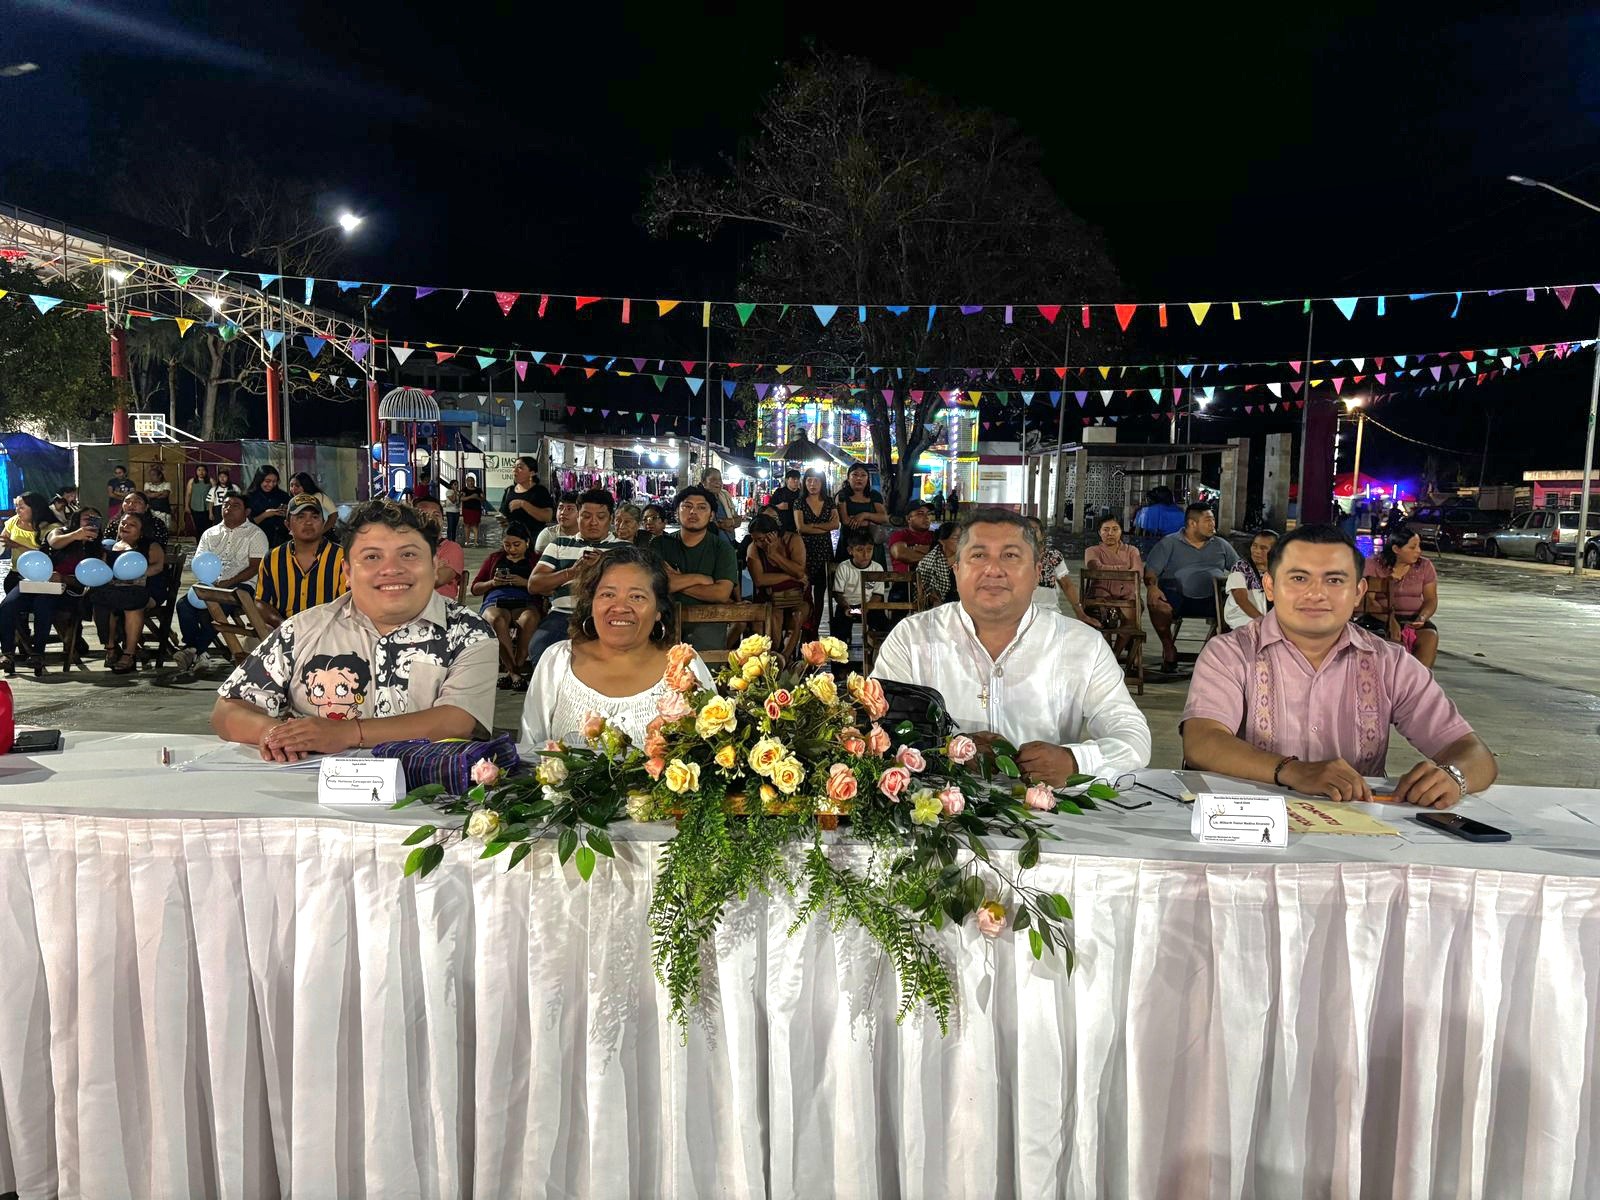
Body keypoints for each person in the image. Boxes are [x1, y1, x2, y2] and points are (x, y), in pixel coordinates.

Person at [1181, 524, 1496, 807]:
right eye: (1299, 578)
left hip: (1358, 827)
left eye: (1334, 580)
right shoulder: (1230, 653)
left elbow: (1475, 754)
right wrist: (1294, 771)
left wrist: (1453, 776)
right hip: (1251, 821)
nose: (1316, 594)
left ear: (1358, 592)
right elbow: (1202, 741)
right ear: (1270, 586)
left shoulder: (1390, 662)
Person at [871, 508, 1151, 782]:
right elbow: (876, 730)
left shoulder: (1082, 644)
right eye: (978, 555)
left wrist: (1076, 760)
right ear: (956, 569)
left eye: (1010, 556)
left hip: (1046, 807)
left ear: (1037, 572)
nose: (993, 570)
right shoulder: (913, 638)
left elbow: (1133, 737)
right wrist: (947, 750)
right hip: (932, 805)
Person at [213, 500, 499, 760]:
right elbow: (228, 709)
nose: (391, 569)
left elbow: (457, 720)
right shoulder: (302, 631)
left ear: (435, 566)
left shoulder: (468, 633)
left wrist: (347, 733)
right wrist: (275, 735)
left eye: (409, 554)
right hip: (314, 792)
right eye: (372, 557)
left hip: (430, 792)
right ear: (348, 572)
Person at [521, 545, 715, 748]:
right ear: (591, 604)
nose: (620, 608)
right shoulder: (557, 661)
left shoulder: (686, 667)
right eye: (608, 595)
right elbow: (530, 749)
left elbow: (711, 750)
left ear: (658, 609)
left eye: (637, 597)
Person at [526, 488, 625, 670]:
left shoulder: (625, 549)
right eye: (586, 516)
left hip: (609, 614)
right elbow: (534, 584)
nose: (593, 522)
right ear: (578, 516)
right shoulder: (559, 544)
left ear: (611, 519)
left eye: (601, 517)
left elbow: (634, 585)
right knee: (541, 647)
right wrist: (571, 572)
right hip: (563, 614)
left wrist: (603, 566)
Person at [174, 492, 270, 674]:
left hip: (242, 585)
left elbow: (255, 567)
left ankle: (192, 650)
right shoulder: (210, 533)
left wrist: (229, 582)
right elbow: (200, 561)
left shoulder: (255, 534)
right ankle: (197, 651)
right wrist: (211, 581)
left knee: (218, 606)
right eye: (226, 505)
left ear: (247, 511)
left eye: (235, 506)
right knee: (183, 605)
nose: (228, 509)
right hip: (211, 583)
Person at [1144, 502, 1240, 672]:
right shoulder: (1169, 543)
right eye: (1208, 520)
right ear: (1192, 523)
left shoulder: (1221, 544)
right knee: (1156, 602)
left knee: (1236, 606)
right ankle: (1168, 647)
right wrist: (1152, 587)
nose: (1213, 524)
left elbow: (1240, 569)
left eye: (1213, 520)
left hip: (1213, 599)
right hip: (1176, 597)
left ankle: (1208, 652)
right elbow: (1151, 572)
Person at [654, 485, 739, 651]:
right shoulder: (660, 545)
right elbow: (655, 585)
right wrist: (700, 578)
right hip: (664, 625)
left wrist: (677, 581)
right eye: (687, 506)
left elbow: (721, 593)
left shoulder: (722, 549)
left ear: (711, 515)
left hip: (708, 627)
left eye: (701, 507)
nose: (693, 512)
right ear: (676, 512)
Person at [90, 509, 168, 675]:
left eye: (132, 525)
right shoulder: (110, 546)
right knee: (100, 600)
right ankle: (111, 648)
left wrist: (134, 575)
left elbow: (158, 567)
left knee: (133, 603)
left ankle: (129, 653)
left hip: (144, 589)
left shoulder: (150, 546)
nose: (125, 526)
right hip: (116, 590)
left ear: (141, 531)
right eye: (123, 523)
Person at [255, 494, 348, 628]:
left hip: (330, 632)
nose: (308, 522)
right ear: (287, 524)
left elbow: (349, 603)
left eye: (315, 517)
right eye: (300, 517)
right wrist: (284, 627)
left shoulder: (342, 557)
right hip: (283, 632)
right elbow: (261, 602)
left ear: (323, 523)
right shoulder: (273, 558)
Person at [470, 522, 538, 690]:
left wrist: (525, 583)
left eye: (516, 544)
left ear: (527, 542)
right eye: (507, 544)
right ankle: (515, 673)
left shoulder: (535, 559)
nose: (511, 549)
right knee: (497, 619)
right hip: (496, 600)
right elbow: (475, 588)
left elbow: (544, 586)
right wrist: (492, 583)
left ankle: (513, 671)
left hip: (525, 601)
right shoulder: (494, 558)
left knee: (529, 618)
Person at [0, 492, 61, 676]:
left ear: (35, 508)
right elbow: (3, 541)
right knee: (6, 606)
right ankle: (7, 653)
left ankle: (38, 653)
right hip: (18, 577)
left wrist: (17, 545)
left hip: (45, 579)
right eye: (16, 506)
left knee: (43, 606)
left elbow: (46, 555)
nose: (17, 510)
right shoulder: (13, 522)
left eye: (22, 507)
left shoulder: (50, 528)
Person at [1363, 524, 1439, 668]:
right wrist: (1390, 619)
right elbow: (1369, 601)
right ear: (1396, 549)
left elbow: (1431, 599)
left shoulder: (1425, 566)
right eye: (1412, 547)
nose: (1418, 551)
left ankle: (1420, 679)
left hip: (1413, 619)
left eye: (1419, 546)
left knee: (1430, 636)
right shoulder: (1373, 565)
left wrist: (1422, 618)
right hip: (1378, 618)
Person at [745, 512, 808, 660]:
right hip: (769, 598)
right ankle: (774, 655)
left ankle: (784, 658)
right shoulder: (753, 548)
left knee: (797, 616)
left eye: (762, 540)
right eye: (755, 540)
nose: (758, 543)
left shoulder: (793, 540)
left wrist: (774, 555)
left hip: (797, 597)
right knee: (773, 614)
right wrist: (790, 575)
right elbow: (760, 580)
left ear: (773, 534)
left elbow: (799, 571)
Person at [1024, 515, 1098, 625]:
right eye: (1027, 530)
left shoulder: (1054, 556)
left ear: (1042, 534)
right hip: (1021, 613)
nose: (1031, 533)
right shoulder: (1014, 557)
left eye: (1034, 529)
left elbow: (1067, 585)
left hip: (1049, 612)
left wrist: (1081, 614)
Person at [794, 469, 838, 639]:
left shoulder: (829, 501)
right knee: (805, 592)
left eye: (816, 481)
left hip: (824, 551)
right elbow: (801, 528)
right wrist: (823, 527)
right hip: (805, 551)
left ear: (822, 483)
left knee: (820, 593)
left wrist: (812, 526)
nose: (812, 484)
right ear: (804, 482)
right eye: (809, 480)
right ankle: (805, 628)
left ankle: (815, 629)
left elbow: (835, 525)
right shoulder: (799, 502)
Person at [831, 529, 889, 655]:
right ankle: (840, 663)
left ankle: (877, 656)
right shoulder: (844, 567)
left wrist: (867, 607)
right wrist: (846, 607)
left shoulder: (877, 567)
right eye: (860, 550)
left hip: (870, 605)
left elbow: (878, 594)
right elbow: (838, 593)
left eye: (869, 550)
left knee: (884, 626)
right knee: (839, 628)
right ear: (850, 551)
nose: (865, 554)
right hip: (848, 605)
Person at [1223, 529, 1279, 631]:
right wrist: (1263, 621)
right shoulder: (1241, 567)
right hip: (1243, 618)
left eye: (1263, 548)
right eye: (1254, 546)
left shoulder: (1280, 570)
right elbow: (1241, 600)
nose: (1257, 551)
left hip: (1270, 619)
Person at [414, 497, 465, 602]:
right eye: (424, 515)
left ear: (443, 520)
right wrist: (432, 568)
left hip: (439, 605)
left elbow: (437, 579)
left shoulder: (452, 548)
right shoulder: (399, 547)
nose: (431, 519)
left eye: (436, 515)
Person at [835, 465, 888, 558]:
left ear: (867, 479)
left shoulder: (874, 495)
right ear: (848, 478)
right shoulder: (842, 495)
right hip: (850, 542)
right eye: (855, 475)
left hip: (872, 541)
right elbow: (845, 521)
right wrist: (871, 521)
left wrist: (864, 515)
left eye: (863, 475)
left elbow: (884, 518)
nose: (859, 478)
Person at [502, 455, 555, 542]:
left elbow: (547, 517)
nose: (514, 470)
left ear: (532, 473)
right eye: (514, 467)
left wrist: (523, 504)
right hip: (512, 539)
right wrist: (504, 521)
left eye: (520, 467)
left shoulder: (540, 491)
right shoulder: (509, 490)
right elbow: (504, 514)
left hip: (534, 539)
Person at [914, 521, 960, 610]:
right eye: (955, 538)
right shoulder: (929, 562)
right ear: (942, 541)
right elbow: (924, 593)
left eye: (962, 538)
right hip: (939, 608)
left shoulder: (967, 560)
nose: (960, 542)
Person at [245, 466, 290, 548]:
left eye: (274, 481)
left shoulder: (282, 495)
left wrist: (286, 511)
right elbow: (247, 524)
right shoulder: (250, 497)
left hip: (281, 540)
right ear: (259, 480)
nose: (271, 485)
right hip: (258, 540)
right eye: (267, 481)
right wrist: (265, 514)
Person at [888, 501, 936, 576]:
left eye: (929, 514)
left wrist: (913, 549)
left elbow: (948, 553)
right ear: (908, 519)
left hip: (932, 581)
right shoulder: (899, 535)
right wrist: (935, 557)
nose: (926, 517)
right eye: (920, 513)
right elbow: (900, 553)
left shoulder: (936, 535)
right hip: (905, 581)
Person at [700, 467, 743, 541]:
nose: (718, 482)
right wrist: (720, 525)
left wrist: (731, 522)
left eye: (720, 479)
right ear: (703, 482)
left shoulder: (725, 496)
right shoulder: (699, 499)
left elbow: (738, 520)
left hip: (730, 542)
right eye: (713, 479)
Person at [535, 492, 581, 556]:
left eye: (569, 509)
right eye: (560, 508)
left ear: (580, 513)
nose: (563, 512)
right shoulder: (548, 534)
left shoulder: (588, 535)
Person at [767, 468, 803, 533]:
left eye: (798, 479)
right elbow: (770, 507)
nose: (796, 481)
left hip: (797, 527)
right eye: (794, 479)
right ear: (787, 480)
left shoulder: (801, 494)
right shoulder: (779, 492)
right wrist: (778, 506)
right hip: (781, 527)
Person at [458, 472, 486, 547]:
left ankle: (475, 541)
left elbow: (483, 499)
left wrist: (477, 498)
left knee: (475, 525)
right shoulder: (464, 490)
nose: (471, 482)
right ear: (466, 482)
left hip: (476, 509)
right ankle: (467, 541)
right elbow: (461, 499)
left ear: (474, 482)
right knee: (467, 525)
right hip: (467, 509)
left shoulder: (478, 490)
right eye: (469, 481)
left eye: (472, 481)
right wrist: (471, 497)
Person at [185, 466, 213, 538]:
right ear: (196, 471)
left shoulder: (211, 481)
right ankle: (199, 542)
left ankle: (207, 542)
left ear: (206, 472)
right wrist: (186, 506)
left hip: (207, 508)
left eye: (203, 470)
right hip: (195, 507)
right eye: (199, 470)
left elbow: (215, 494)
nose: (201, 472)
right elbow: (188, 494)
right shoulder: (192, 481)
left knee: (208, 528)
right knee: (198, 528)